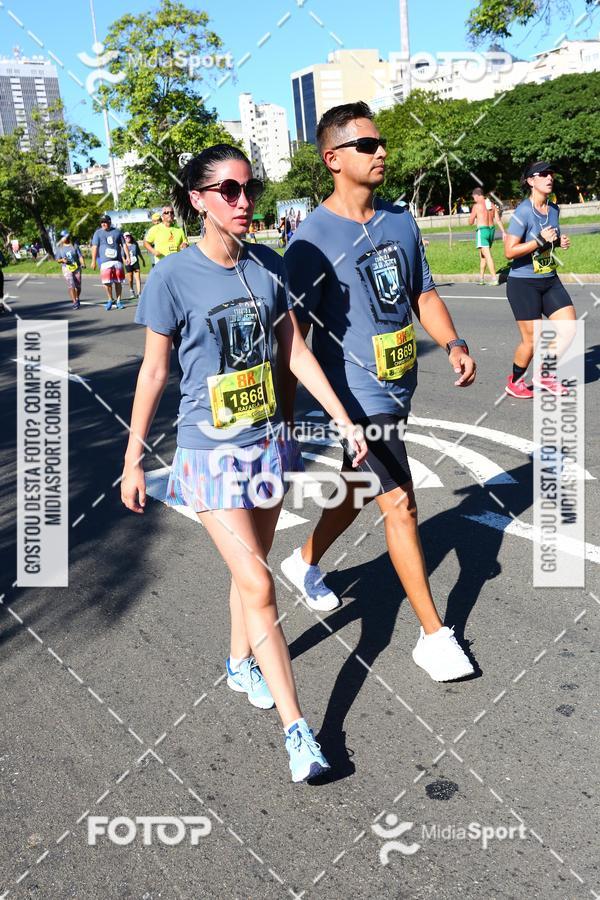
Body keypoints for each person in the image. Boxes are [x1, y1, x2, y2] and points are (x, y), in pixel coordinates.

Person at [120, 144, 367, 783]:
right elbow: (154, 371)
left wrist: (340, 418)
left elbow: (294, 353)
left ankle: (238, 662)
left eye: (248, 188)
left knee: (247, 569)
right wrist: (132, 460)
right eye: (227, 190)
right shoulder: (172, 277)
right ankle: (299, 732)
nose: (243, 200)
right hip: (208, 455)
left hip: (269, 446)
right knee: (258, 583)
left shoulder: (268, 265)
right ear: (198, 200)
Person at [280, 101, 477, 683]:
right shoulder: (309, 244)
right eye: (368, 145)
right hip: (357, 397)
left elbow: (423, 294)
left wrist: (453, 342)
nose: (382, 151)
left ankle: (304, 560)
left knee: (358, 489)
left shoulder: (398, 221)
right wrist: (288, 421)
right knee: (400, 502)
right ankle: (433, 636)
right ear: (334, 158)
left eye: (381, 141)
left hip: (399, 384)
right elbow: (293, 339)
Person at [503, 161, 575, 399]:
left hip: (549, 278)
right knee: (532, 341)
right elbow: (509, 251)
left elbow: (548, 240)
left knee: (569, 329)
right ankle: (514, 382)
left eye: (551, 173)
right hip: (523, 284)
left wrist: (557, 242)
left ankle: (545, 375)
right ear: (531, 181)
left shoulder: (554, 209)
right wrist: (540, 241)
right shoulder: (523, 211)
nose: (549, 177)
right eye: (543, 174)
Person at [90, 215, 130, 310]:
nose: (103, 224)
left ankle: (119, 300)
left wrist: (127, 256)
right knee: (106, 282)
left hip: (117, 261)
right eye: (102, 222)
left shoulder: (117, 232)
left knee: (118, 282)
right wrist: (93, 261)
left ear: (109, 222)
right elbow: (94, 247)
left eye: (105, 221)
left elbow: (124, 245)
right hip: (105, 261)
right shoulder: (98, 233)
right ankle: (110, 299)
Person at [469, 187, 506, 285]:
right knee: (483, 255)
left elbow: (470, 222)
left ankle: (494, 278)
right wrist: (503, 232)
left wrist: (474, 217)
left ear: (477, 195)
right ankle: (481, 278)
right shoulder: (491, 205)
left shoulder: (476, 206)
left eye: (473, 197)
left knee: (487, 255)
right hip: (491, 231)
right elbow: (498, 220)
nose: (473, 199)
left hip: (482, 230)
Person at [55, 229, 85, 310]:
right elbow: (57, 259)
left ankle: (77, 298)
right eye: (63, 237)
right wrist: (62, 260)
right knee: (71, 285)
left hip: (76, 267)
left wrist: (83, 264)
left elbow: (80, 256)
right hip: (66, 268)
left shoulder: (74, 246)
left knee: (78, 286)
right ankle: (74, 302)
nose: (65, 238)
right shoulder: (59, 248)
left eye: (66, 236)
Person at [123, 232, 145, 298]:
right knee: (130, 278)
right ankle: (131, 290)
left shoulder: (135, 244)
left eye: (129, 236)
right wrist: (125, 262)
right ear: (124, 238)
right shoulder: (123, 245)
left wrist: (143, 260)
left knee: (137, 278)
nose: (128, 238)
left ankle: (139, 293)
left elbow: (139, 253)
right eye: (126, 237)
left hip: (135, 262)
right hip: (128, 263)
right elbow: (122, 256)